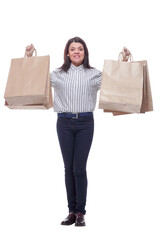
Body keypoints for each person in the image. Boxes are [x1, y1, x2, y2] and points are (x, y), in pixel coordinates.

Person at [26, 37, 102, 227]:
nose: (77, 52)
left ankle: (81, 212)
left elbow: (119, 83)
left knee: (79, 168)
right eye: (73, 49)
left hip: (85, 123)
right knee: (68, 168)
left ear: (85, 53)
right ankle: (71, 212)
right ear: (67, 53)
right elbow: (33, 77)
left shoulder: (95, 74)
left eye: (80, 49)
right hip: (64, 123)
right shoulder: (57, 74)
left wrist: (124, 62)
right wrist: (29, 58)